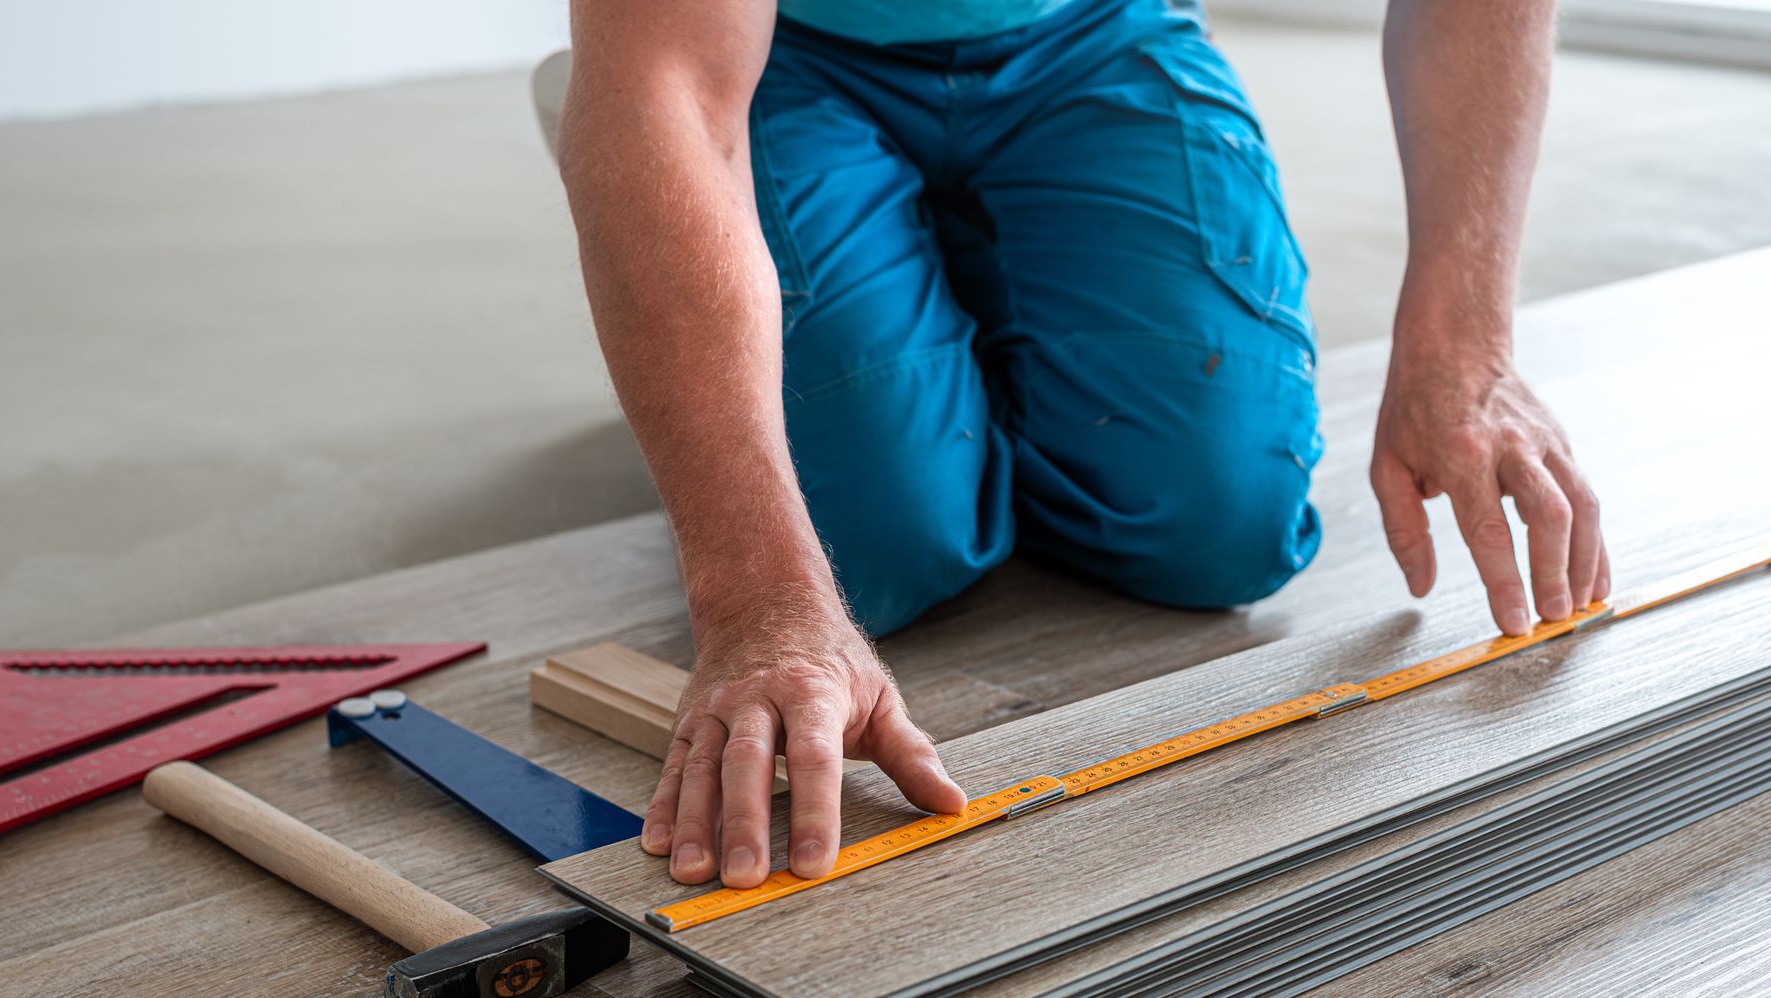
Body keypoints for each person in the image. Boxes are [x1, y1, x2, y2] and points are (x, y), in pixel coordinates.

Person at [557, 0, 1609, 891]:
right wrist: (757, 599)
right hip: (779, 50)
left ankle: (932, 273)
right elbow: (672, 89)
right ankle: (660, 220)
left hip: (1091, 30)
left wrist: (1463, 347)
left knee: (1221, 524)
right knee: (874, 553)